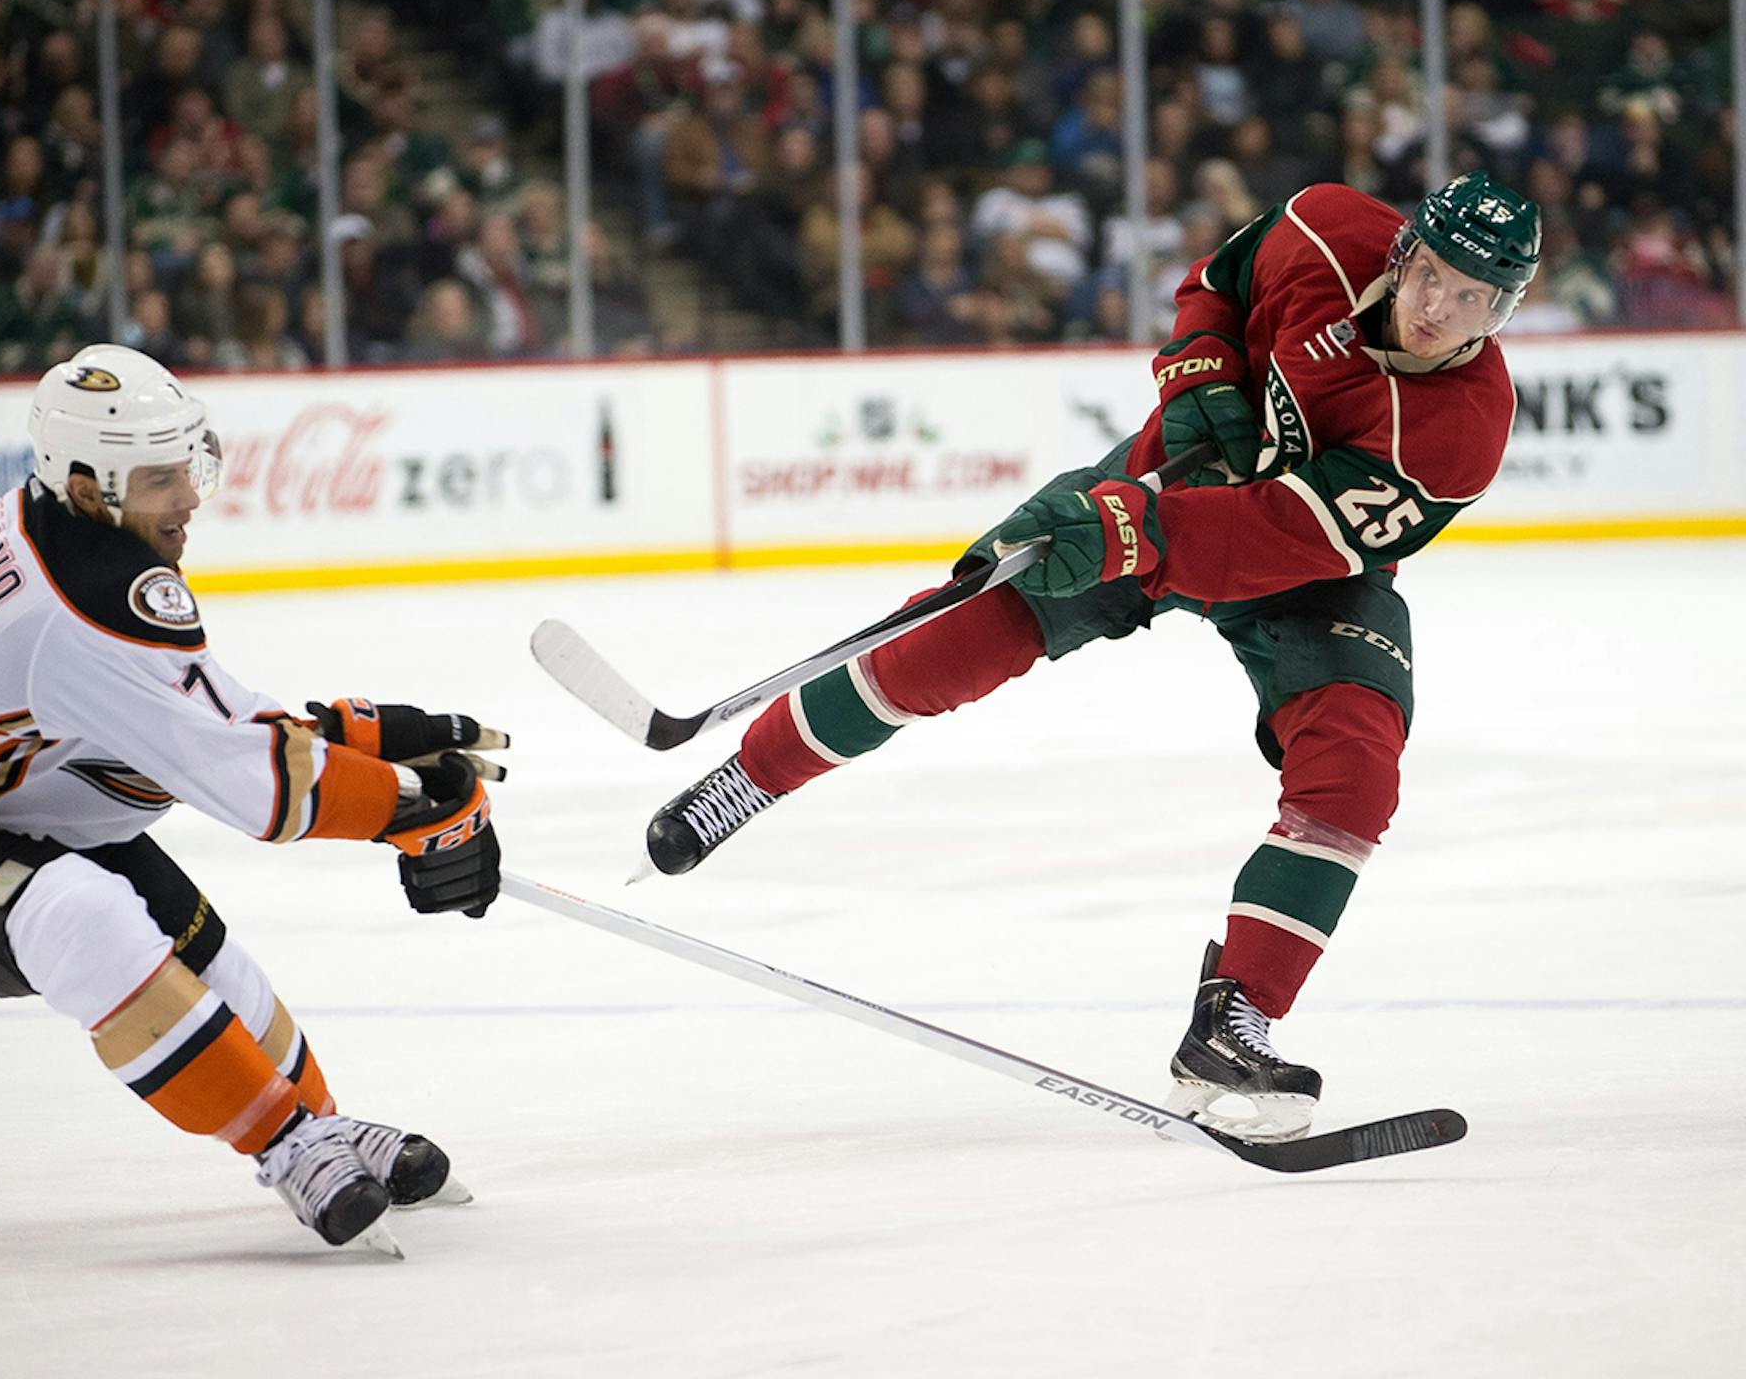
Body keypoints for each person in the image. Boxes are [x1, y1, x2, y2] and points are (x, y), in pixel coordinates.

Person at [642, 172, 1541, 1141]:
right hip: (1163, 479)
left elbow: (1291, 533)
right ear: (1405, 250)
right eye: (1436, 277)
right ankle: (753, 772)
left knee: (1356, 769)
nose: (1440, 312)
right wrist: (1199, 379)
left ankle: (1233, 1023)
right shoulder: (1324, 226)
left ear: (1502, 312)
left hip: (1305, 570)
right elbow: (1219, 282)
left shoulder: (1462, 429)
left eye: (1475, 301)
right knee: (949, 638)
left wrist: (1137, 532)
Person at [0, 345, 506, 1255]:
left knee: (203, 951)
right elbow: (256, 786)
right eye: (161, 479)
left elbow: (197, 720)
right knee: (85, 913)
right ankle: (286, 1143)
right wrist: (416, 806)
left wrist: (352, 735)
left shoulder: (68, 540)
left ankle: (317, 1121)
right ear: (87, 487)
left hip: (10, 789)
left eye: (189, 465)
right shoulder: (82, 600)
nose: (190, 496)